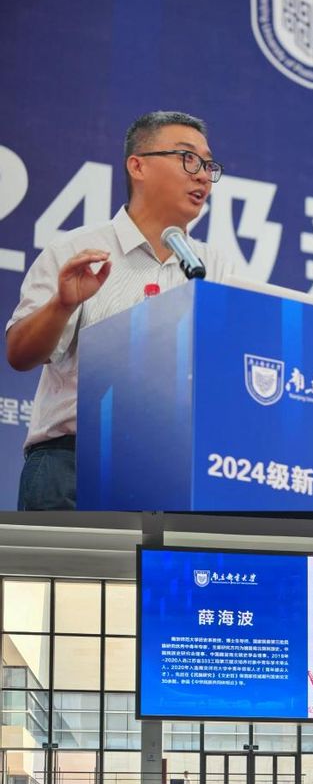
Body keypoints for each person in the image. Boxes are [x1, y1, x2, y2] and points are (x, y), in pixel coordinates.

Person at [5, 109, 237, 510]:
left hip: (175, 471)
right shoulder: (76, 250)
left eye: (208, 165)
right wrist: (63, 303)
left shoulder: (216, 268)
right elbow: (20, 355)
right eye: (188, 159)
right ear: (138, 166)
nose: (202, 176)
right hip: (72, 466)